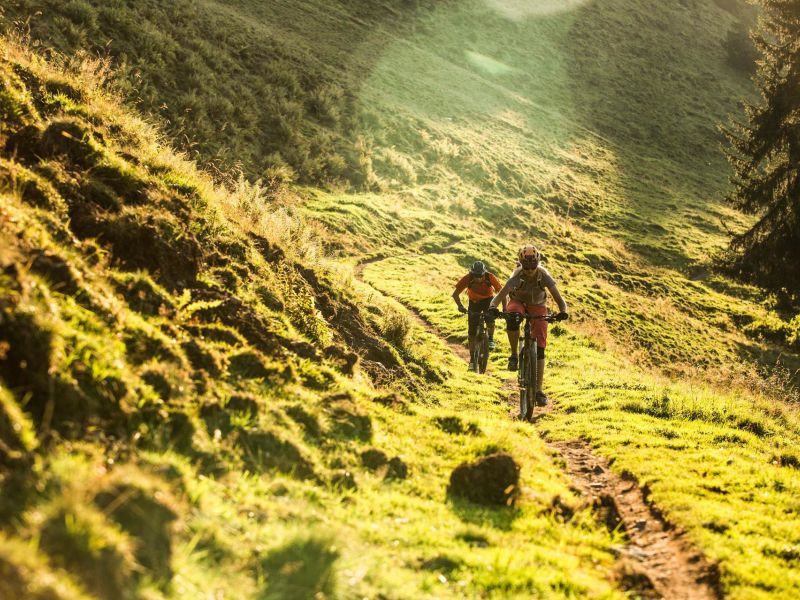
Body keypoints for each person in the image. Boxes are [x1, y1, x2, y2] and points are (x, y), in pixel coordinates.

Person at [489, 245, 568, 406]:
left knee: (540, 348)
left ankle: (538, 390)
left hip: (538, 304)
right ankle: (514, 356)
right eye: (527, 265)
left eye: (533, 265)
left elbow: (559, 298)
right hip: (517, 301)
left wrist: (563, 311)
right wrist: (492, 308)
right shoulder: (517, 275)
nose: (530, 269)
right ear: (521, 263)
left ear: (538, 262)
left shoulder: (543, 275)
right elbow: (500, 296)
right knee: (512, 316)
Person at [452, 261, 504, 370]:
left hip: (488, 301)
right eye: (476, 275)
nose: (478, 278)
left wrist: (505, 308)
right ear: (472, 273)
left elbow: (502, 292)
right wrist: (460, 306)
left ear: (484, 273)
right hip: (473, 302)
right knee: (471, 332)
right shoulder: (468, 278)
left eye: (480, 275)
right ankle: (472, 360)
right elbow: (455, 294)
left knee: (490, 320)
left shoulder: (490, 277)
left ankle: (490, 339)